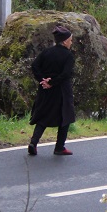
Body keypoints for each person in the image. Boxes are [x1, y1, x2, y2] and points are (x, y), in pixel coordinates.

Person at [28, 25, 77, 156]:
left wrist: (43, 80)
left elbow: (34, 66)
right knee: (65, 117)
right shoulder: (68, 56)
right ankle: (59, 147)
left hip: (45, 91)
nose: (71, 43)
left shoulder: (46, 52)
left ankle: (33, 142)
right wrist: (52, 82)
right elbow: (66, 74)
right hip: (61, 91)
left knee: (43, 117)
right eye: (71, 40)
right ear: (65, 41)